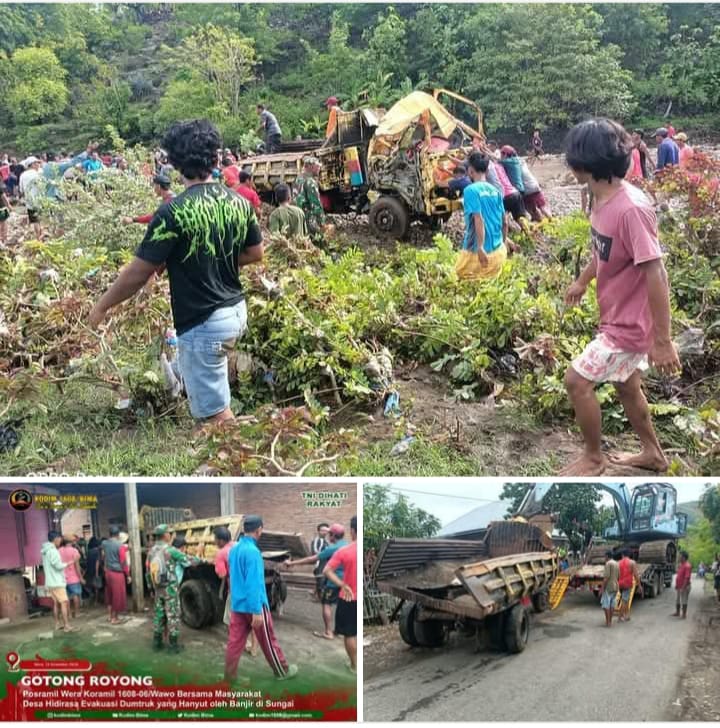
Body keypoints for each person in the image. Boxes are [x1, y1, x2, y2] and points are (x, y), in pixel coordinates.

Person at [89, 120, 264, 426]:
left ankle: (238, 460)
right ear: (215, 157)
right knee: (207, 381)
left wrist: (102, 306)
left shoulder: (172, 213)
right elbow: (254, 253)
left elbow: (138, 273)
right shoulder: (239, 202)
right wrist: (212, 262)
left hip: (204, 320)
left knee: (214, 418)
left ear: (173, 162)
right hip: (235, 311)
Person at [561, 119, 680, 476]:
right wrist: (582, 282)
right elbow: (603, 251)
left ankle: (594, 457)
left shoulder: (631, 209)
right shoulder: (601, 198)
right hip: (614, 315)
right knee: (627, 386)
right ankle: (653, 454)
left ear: (586, 164)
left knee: (577, 381)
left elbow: (655, 272)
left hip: (629, 325)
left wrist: (662, 341)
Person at [225, 515, 298, 683]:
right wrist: (257, 611)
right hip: (254, 606)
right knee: (268, 641)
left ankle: (229, 678)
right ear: (259, 530)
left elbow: (234, 577)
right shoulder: (253, 552)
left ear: (244, 530)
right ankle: (282, 671)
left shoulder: (234, 550)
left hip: (237, 605)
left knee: (234, 643)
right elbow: (254, 583)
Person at [285, 524, 348, 640]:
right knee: (342, 606)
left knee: (326, 604)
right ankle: (340, 631)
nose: (328, 536)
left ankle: (328, 632)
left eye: (330, 534)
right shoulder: (348, 545)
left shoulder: (332, 548)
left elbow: (311, 559)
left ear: (333, 535)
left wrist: (292, 563)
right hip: (346, 582)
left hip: (333, 581)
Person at [459, 152, 508, 278]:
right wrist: (503, 244)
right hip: (499, 253)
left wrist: (480, 247)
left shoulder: (470, 190)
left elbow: (478, 219)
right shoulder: (496, 191)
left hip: (478, 256)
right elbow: (505, 222)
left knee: (458, 279)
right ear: (487, 171)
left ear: (470, 171)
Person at [213, 526, 258, 656]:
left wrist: (218, 566)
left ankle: (237, 645)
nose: (214, 541)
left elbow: (222, 575)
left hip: (236, 592)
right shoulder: (240, 545)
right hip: (250, 589)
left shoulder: (221, 553)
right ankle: (254, 648)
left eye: (215, 539)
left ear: (220, 540)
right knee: (252, 619)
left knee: (231, 620)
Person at [323, 516, 358, 673]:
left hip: (349, 597)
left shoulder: (344, 551)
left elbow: (326, 571)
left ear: (352, 531)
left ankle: (354, 666)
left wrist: (342, 584)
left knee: (350, 634)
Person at [41, 531, 77, 633]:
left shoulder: (45, 550)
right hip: (57, 582)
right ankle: (66, 626)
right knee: (64, 603)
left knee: (56, 604)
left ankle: (57, 624)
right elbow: (58, 566)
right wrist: (71, 562)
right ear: (56, 538)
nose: (61, 541)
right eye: (60, 539)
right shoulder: (53, 551)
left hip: (50, 582)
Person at [293, 157, 326, 245]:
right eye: (317, 166)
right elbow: (316, 204)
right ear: (311, 167)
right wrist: (322, 222)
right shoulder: (310, 182)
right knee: (319, 242)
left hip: (299, 216)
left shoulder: (298, 178)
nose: (319, 168)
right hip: (309, 217)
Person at [102, 526, 130, 625]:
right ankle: (115, 618)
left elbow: (104, 556)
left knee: (110, 594)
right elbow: (123, 562)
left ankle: (110, 616)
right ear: (118, 535)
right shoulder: (120, 546)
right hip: (117, 573)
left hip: (108, 572)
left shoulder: (104, 543)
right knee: (117, 596)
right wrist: (128, 574)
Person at [518, 154, 551, 221]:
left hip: (527, 190)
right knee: (542, 207)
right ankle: (551, 220)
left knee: (531, 209)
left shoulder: (513, 165)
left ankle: (539, 220)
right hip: (535, 186)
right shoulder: (523, 163)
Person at [58, 537, 84, 620]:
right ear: (70, 542)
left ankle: (68, 614)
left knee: (67, 597)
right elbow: (77, 565)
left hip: (63, 577)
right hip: (73, 577)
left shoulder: (59, 550)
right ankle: (77, 613)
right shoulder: (74, 551)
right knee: (75, 595)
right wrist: (81, 577)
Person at [18, 156, 44, 239]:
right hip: (41, 200)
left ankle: (38, 237)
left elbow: (21, 190)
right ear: (32, 164)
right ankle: (41, 237)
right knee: (41, 220)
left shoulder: (23, 175)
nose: (38, 165)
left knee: (35, 221)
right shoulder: (39, 173)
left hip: (29, 202)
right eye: (37, 163)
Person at [617, 549, 642, 622]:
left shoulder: (618, 563)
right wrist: (639, 585)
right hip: (627, 583)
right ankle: (620, 617)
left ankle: (626, 615)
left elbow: (617, 574)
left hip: (620, 583)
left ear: (622, 555)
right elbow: (636, 575)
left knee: (625, 599)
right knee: (625, 600)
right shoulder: (632, 562)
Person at [310, 523, 329, 600]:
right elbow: (315, 551)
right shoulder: (317, 540)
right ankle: (318, 597)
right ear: (318, 531)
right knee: (320, 579)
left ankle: (315, 593)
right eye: (322, 530)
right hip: (319, 563)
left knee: (323, 580)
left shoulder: (326, 541)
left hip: (326, 563)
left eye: (326, 530)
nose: (324, 532)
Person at [601, 550, 619, 628]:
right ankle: (610, 621)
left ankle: (608, 622)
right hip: (615, 586)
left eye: (605, 556)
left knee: (606, 605)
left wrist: (602, 588)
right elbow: (619, 576)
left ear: (607, 556)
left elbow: (606, 578)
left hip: (609, 587)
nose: (604, 558)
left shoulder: (608, 564)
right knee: (612, 604)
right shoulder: (617, 563)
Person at [85, 536, 103, 606]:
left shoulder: (89, 551)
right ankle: (96, 601)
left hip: (90, 570)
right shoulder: (97, 552)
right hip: (96, 570)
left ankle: (92, 597)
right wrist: (97, 573)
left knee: (91, 585)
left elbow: (87, 561)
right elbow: (97, 562)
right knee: (97, 586)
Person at [674, 550, 692, 619]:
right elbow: (679, 576)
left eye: (680, 556)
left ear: (684, 557)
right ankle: (677, 612)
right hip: (679, 586)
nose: (678, 557)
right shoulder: (681, 565)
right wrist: (677, 585)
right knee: (678, 600)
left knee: (684, 600)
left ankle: (684, 614)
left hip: (684, 586)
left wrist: (683, 588)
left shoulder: (687, 566)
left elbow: (686, 578)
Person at [0, 178, 11, 246]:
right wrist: (9, 205)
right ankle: (4, 239)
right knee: (4, 224)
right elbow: (3, 197)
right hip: (1, 208)